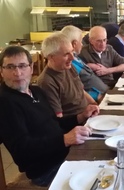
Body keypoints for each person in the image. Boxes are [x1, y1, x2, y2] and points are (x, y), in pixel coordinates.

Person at [0, 46, 99, 187]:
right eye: (10, 67)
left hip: (63, 154)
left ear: (31, 67)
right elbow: (23, 149)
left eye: (22, 66)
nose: (17, 73)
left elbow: (54, 123)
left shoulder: (36, 91)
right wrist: (64, 139)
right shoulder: (5, 102)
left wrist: (80, 117)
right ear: (1, 71)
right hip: (45, 170)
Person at [37, 32, 96, 117]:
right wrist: (84, 115)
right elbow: (58, 119)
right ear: (51, 57)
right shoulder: (47, 82)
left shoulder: (68, 66)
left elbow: (81, 91)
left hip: (87, 116)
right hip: (75, 124)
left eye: (72, 52)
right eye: (66, 54)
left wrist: (95, 105)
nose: (72, 58)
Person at [61, 25, 109, 102]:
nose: (82, 44)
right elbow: (77, 90)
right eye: (81, 41)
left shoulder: (76, 58)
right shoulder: (69, 64)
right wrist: (97, 96)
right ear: (74, 44)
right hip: (99, 99)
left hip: (105, 93)